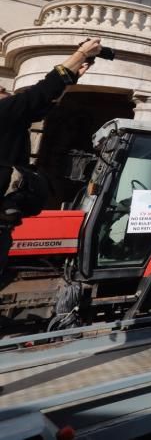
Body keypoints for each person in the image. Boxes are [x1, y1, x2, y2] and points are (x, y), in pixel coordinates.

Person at [1, 38, 102, 274]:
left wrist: (71, 78)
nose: (7, 92)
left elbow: (41, 104)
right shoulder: (4, 113)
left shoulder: (9, 119)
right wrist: (80, 53)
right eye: (3, 90)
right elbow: (41, 93)